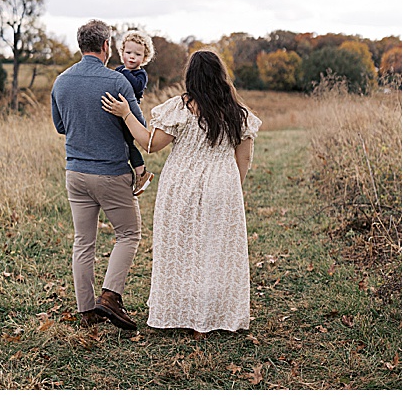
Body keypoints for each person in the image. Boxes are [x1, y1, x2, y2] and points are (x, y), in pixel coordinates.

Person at [101, 49, 261, 339]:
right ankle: (212, 317)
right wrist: (231, 186)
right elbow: (245, 158)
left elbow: (150, 144)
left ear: (191, 77)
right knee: (216, 251)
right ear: (221, 75)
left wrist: (126, 114)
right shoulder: (238, 113)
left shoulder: (182, 108)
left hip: (181, 186)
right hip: (222, 185)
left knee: (181, 248)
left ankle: (182, 315)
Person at [51, 19, 146, 331]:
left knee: (83, 241)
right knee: (129, 233)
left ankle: (86, 311)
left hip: (75, 173)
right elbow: (137, 128)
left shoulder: (61, 82)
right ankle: (110, 296)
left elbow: (61, 127)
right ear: (106, 46)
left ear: (82, 46)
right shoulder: (118, 83)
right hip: (111, 174)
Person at [114, 30, 156, 195]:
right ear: (122, 53)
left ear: (144, 58)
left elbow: (136, 87)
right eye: (128, 52)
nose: (132, 57)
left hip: (130, 115)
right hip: (117, 112)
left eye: (137, 54)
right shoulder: (118, 70)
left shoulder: (140, 74)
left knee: (128, 144)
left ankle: (142, 173)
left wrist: (124, 73)